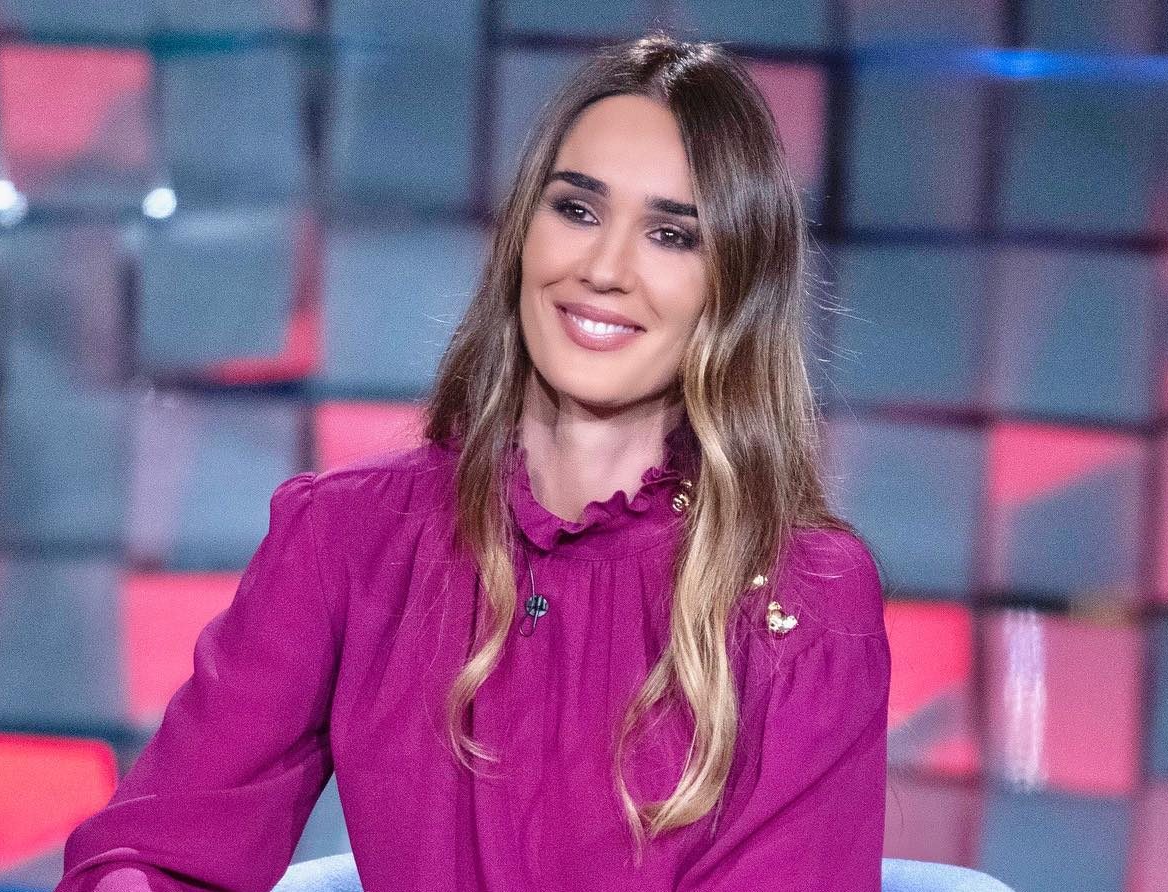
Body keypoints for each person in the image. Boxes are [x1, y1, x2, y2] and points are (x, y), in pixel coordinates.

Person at [55, 30, 891, 892]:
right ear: (522, 234)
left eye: (671, 235)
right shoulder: (347, 539)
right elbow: (155, 848)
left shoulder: (799, 598)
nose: (604, 269)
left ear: (735, 286)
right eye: (577, 211)